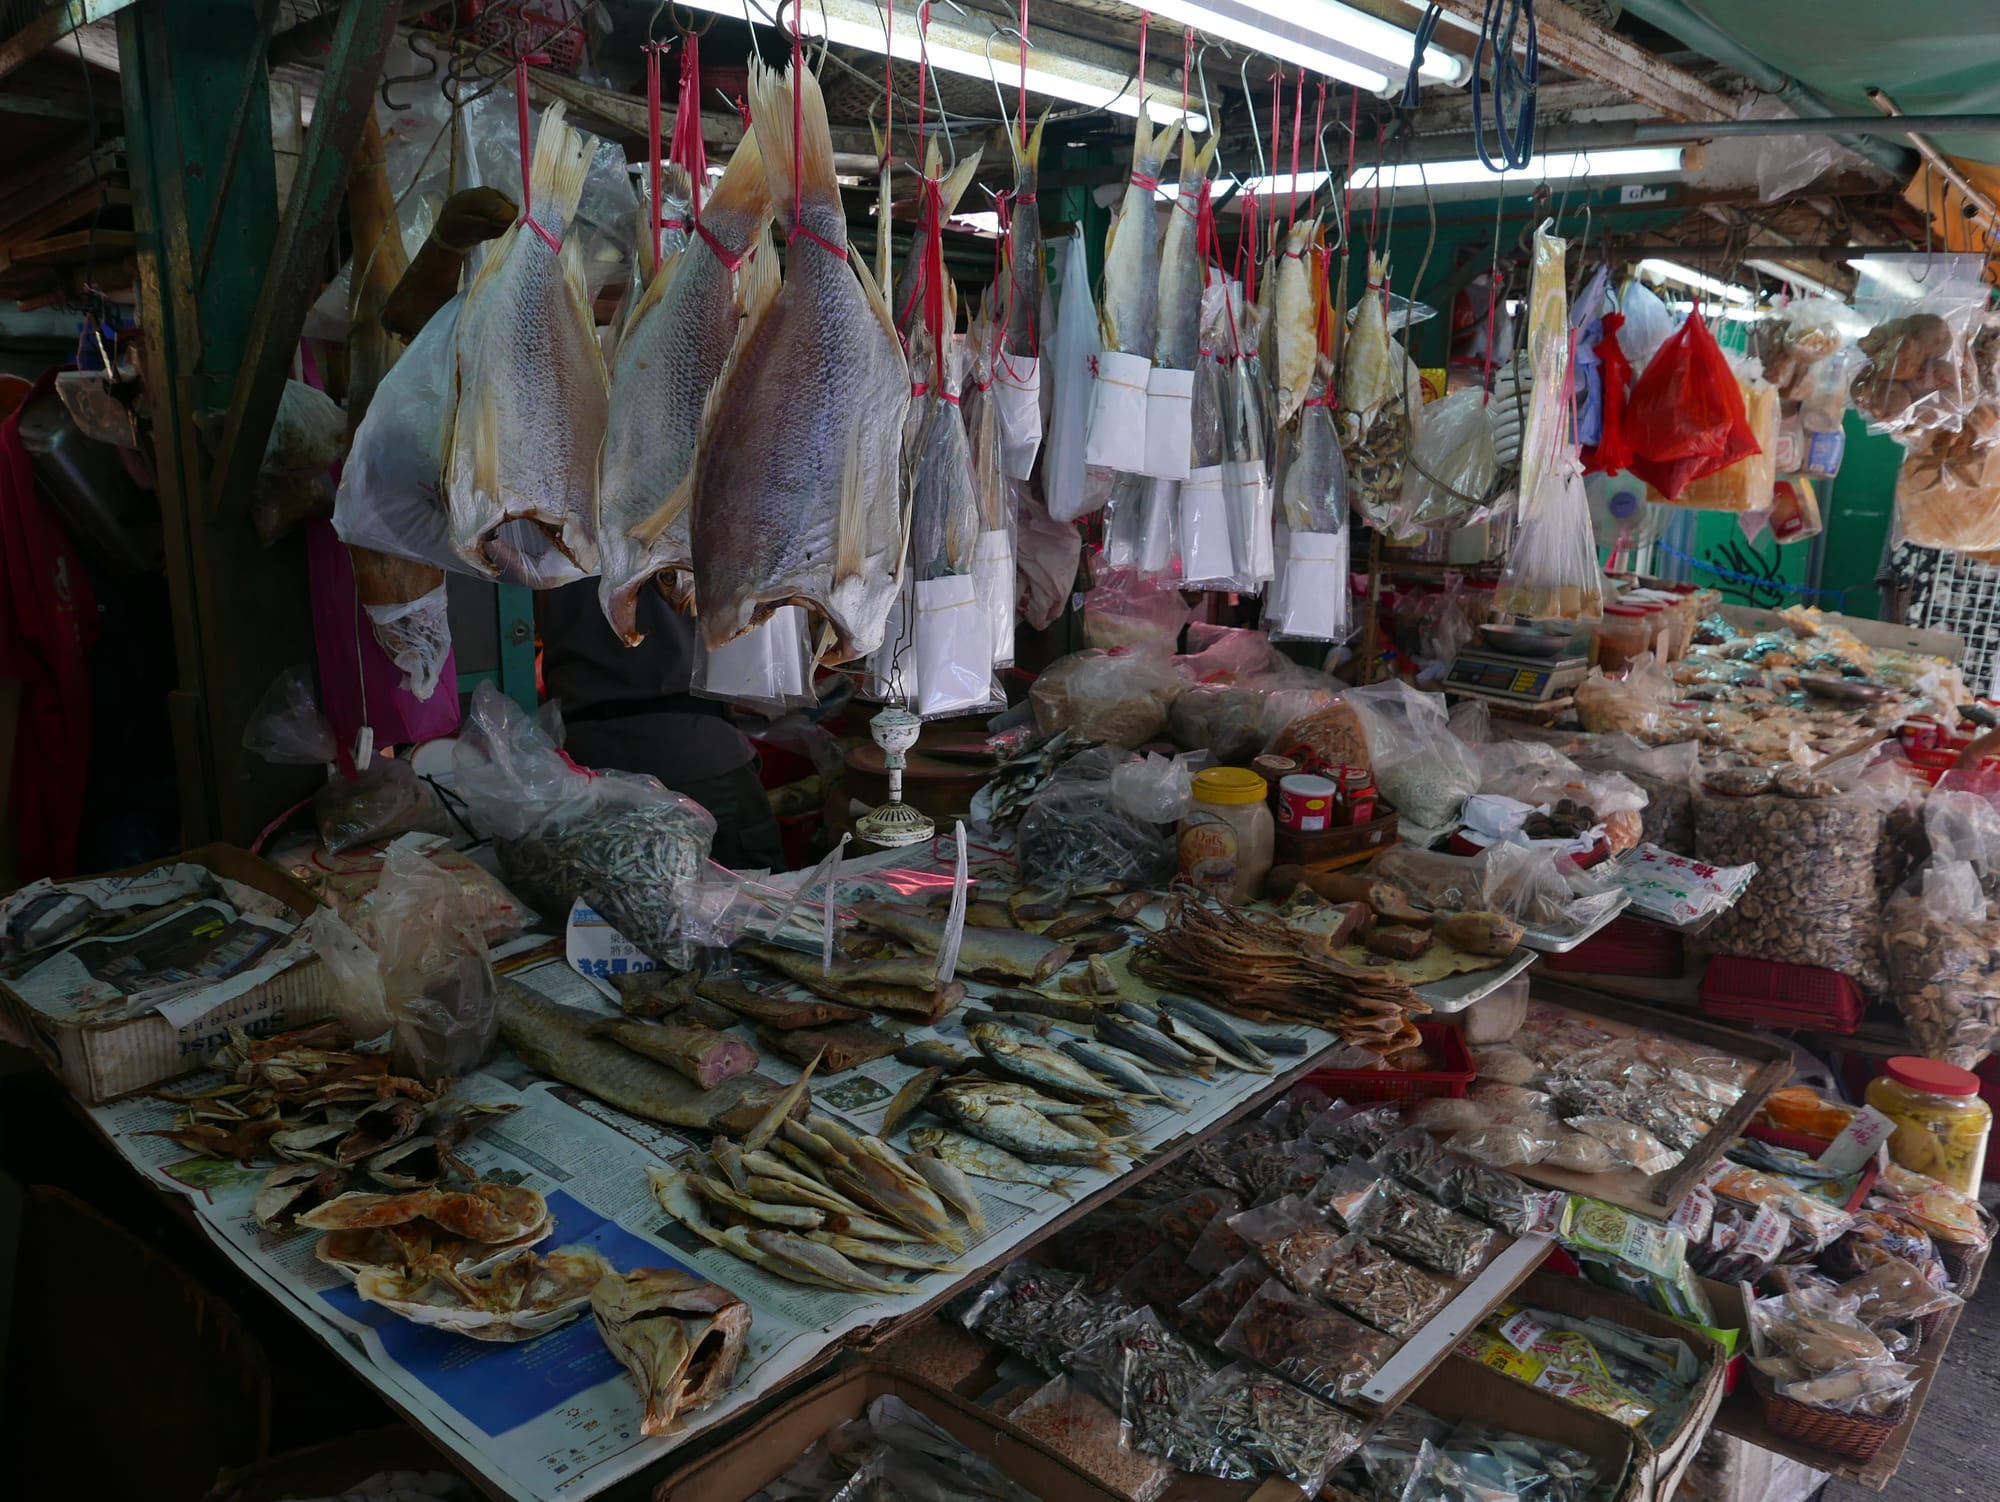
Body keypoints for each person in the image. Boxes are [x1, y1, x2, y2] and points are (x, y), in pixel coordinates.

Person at [537, 580, 784, 871]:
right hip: (695, 755)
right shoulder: (701, 534)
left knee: (608, 906)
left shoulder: (545, 539)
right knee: (753, 907)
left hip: (587, 762)